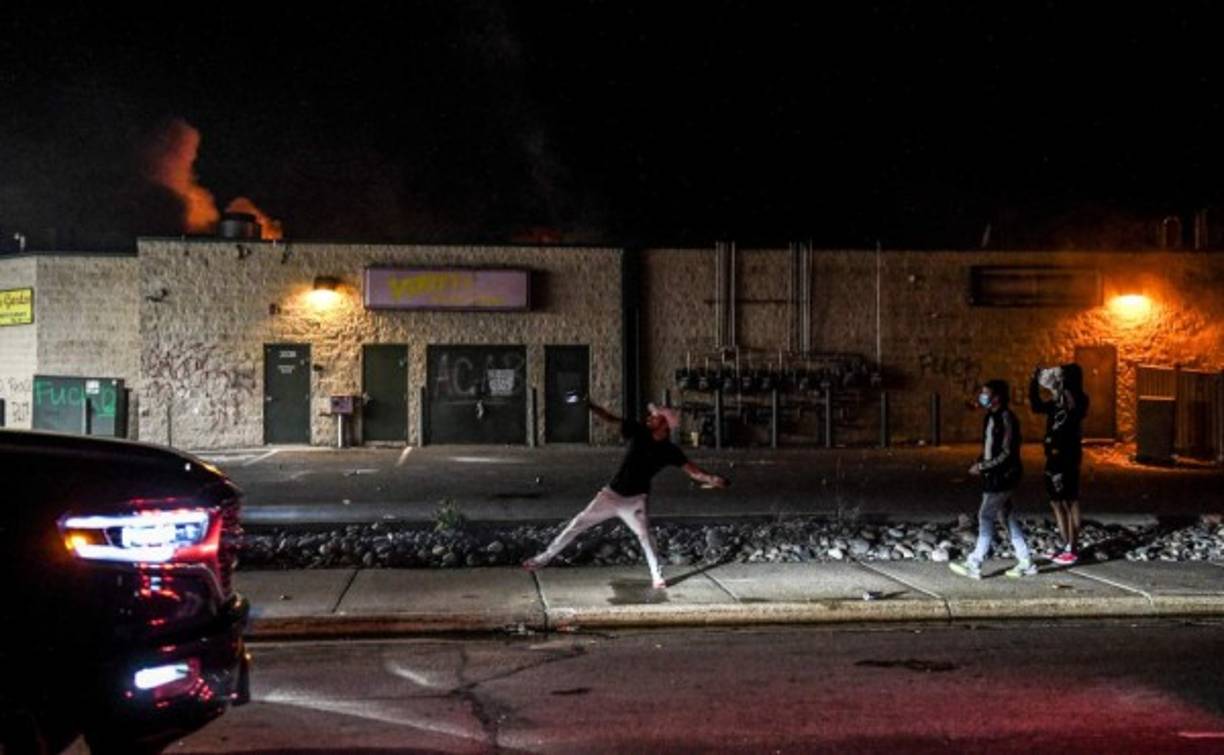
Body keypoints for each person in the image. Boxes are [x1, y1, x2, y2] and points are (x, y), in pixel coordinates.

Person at [523, 399, 727, 589]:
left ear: (664, 424)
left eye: (654, 417)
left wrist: (713, 479)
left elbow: (694, 471)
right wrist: (591, 406)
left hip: (635, 501)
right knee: (577, 524)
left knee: (645, 536)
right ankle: (544, 558)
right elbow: (610, 418)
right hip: (610, 495)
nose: (649, 418)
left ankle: (657, 576)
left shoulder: (670, 451)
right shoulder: (638, 432)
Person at [949, 379, 1037, 579]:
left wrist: (982, 466)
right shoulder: (991, 417)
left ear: (997, 397)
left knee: (985, 515)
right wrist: (982, 462)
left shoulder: (1006, 418)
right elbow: (990, 447)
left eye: (986, 393)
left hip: (1003, 476)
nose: (982, 397)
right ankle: (1026, 561)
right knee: (1007, 516)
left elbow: (1006, 452)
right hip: (994, 474)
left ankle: (975, 562)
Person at [1030, 363, 1089, 565]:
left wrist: (1062, 388)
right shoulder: (1057, 401)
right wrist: (1034, 382)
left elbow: (1074, 411)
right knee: (1056, 501)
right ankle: (1065, 544)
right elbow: (1037, 406)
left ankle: (1072, 547)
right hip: (1053, 456)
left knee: (1069, 500)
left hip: (1068, 456)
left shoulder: (1077, 398)